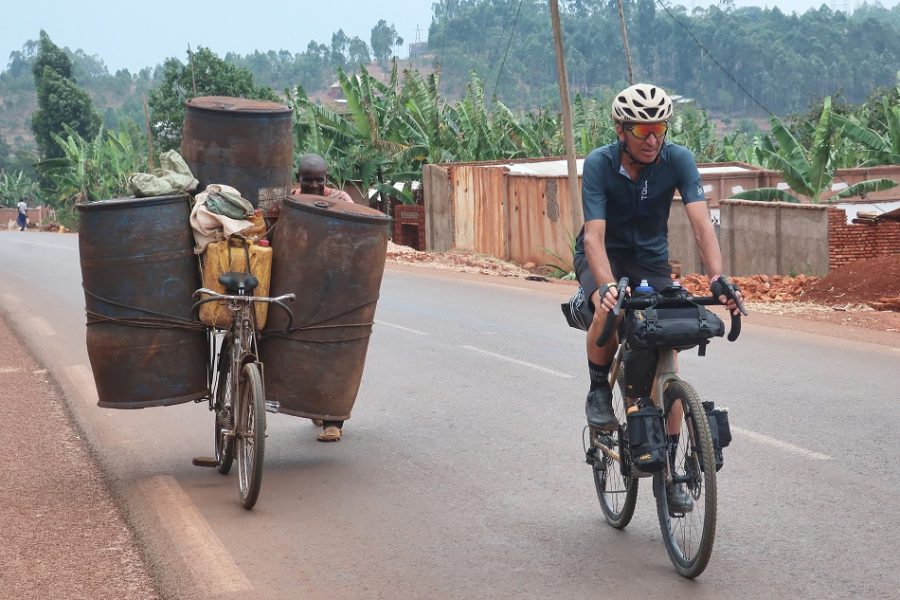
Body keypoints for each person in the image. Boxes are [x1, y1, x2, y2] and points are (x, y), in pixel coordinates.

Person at [573, 83, 744, 511]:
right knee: (607, 310)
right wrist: (607, 286)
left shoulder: (678, 159)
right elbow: (594, 236)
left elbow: (702, 224)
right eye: (642, 130)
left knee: (668, 336)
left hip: (651, 261)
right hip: (605, 254)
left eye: (660, 128)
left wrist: (718, 277)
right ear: (620, 130)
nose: (652, 139)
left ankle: (670, 474)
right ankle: (598, 390)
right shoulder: (598, 165)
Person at [291, 153, 352, 442]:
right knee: (302, 350)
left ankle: (333, 421)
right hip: (300, 287)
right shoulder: (288, 199)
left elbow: (353, 229)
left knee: (334, 351)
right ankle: (315, 406)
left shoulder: (341, 198)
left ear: (327, 178)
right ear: (298, 178)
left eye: (319, 180)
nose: (314, 185)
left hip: (332, 287)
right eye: (308, 180)